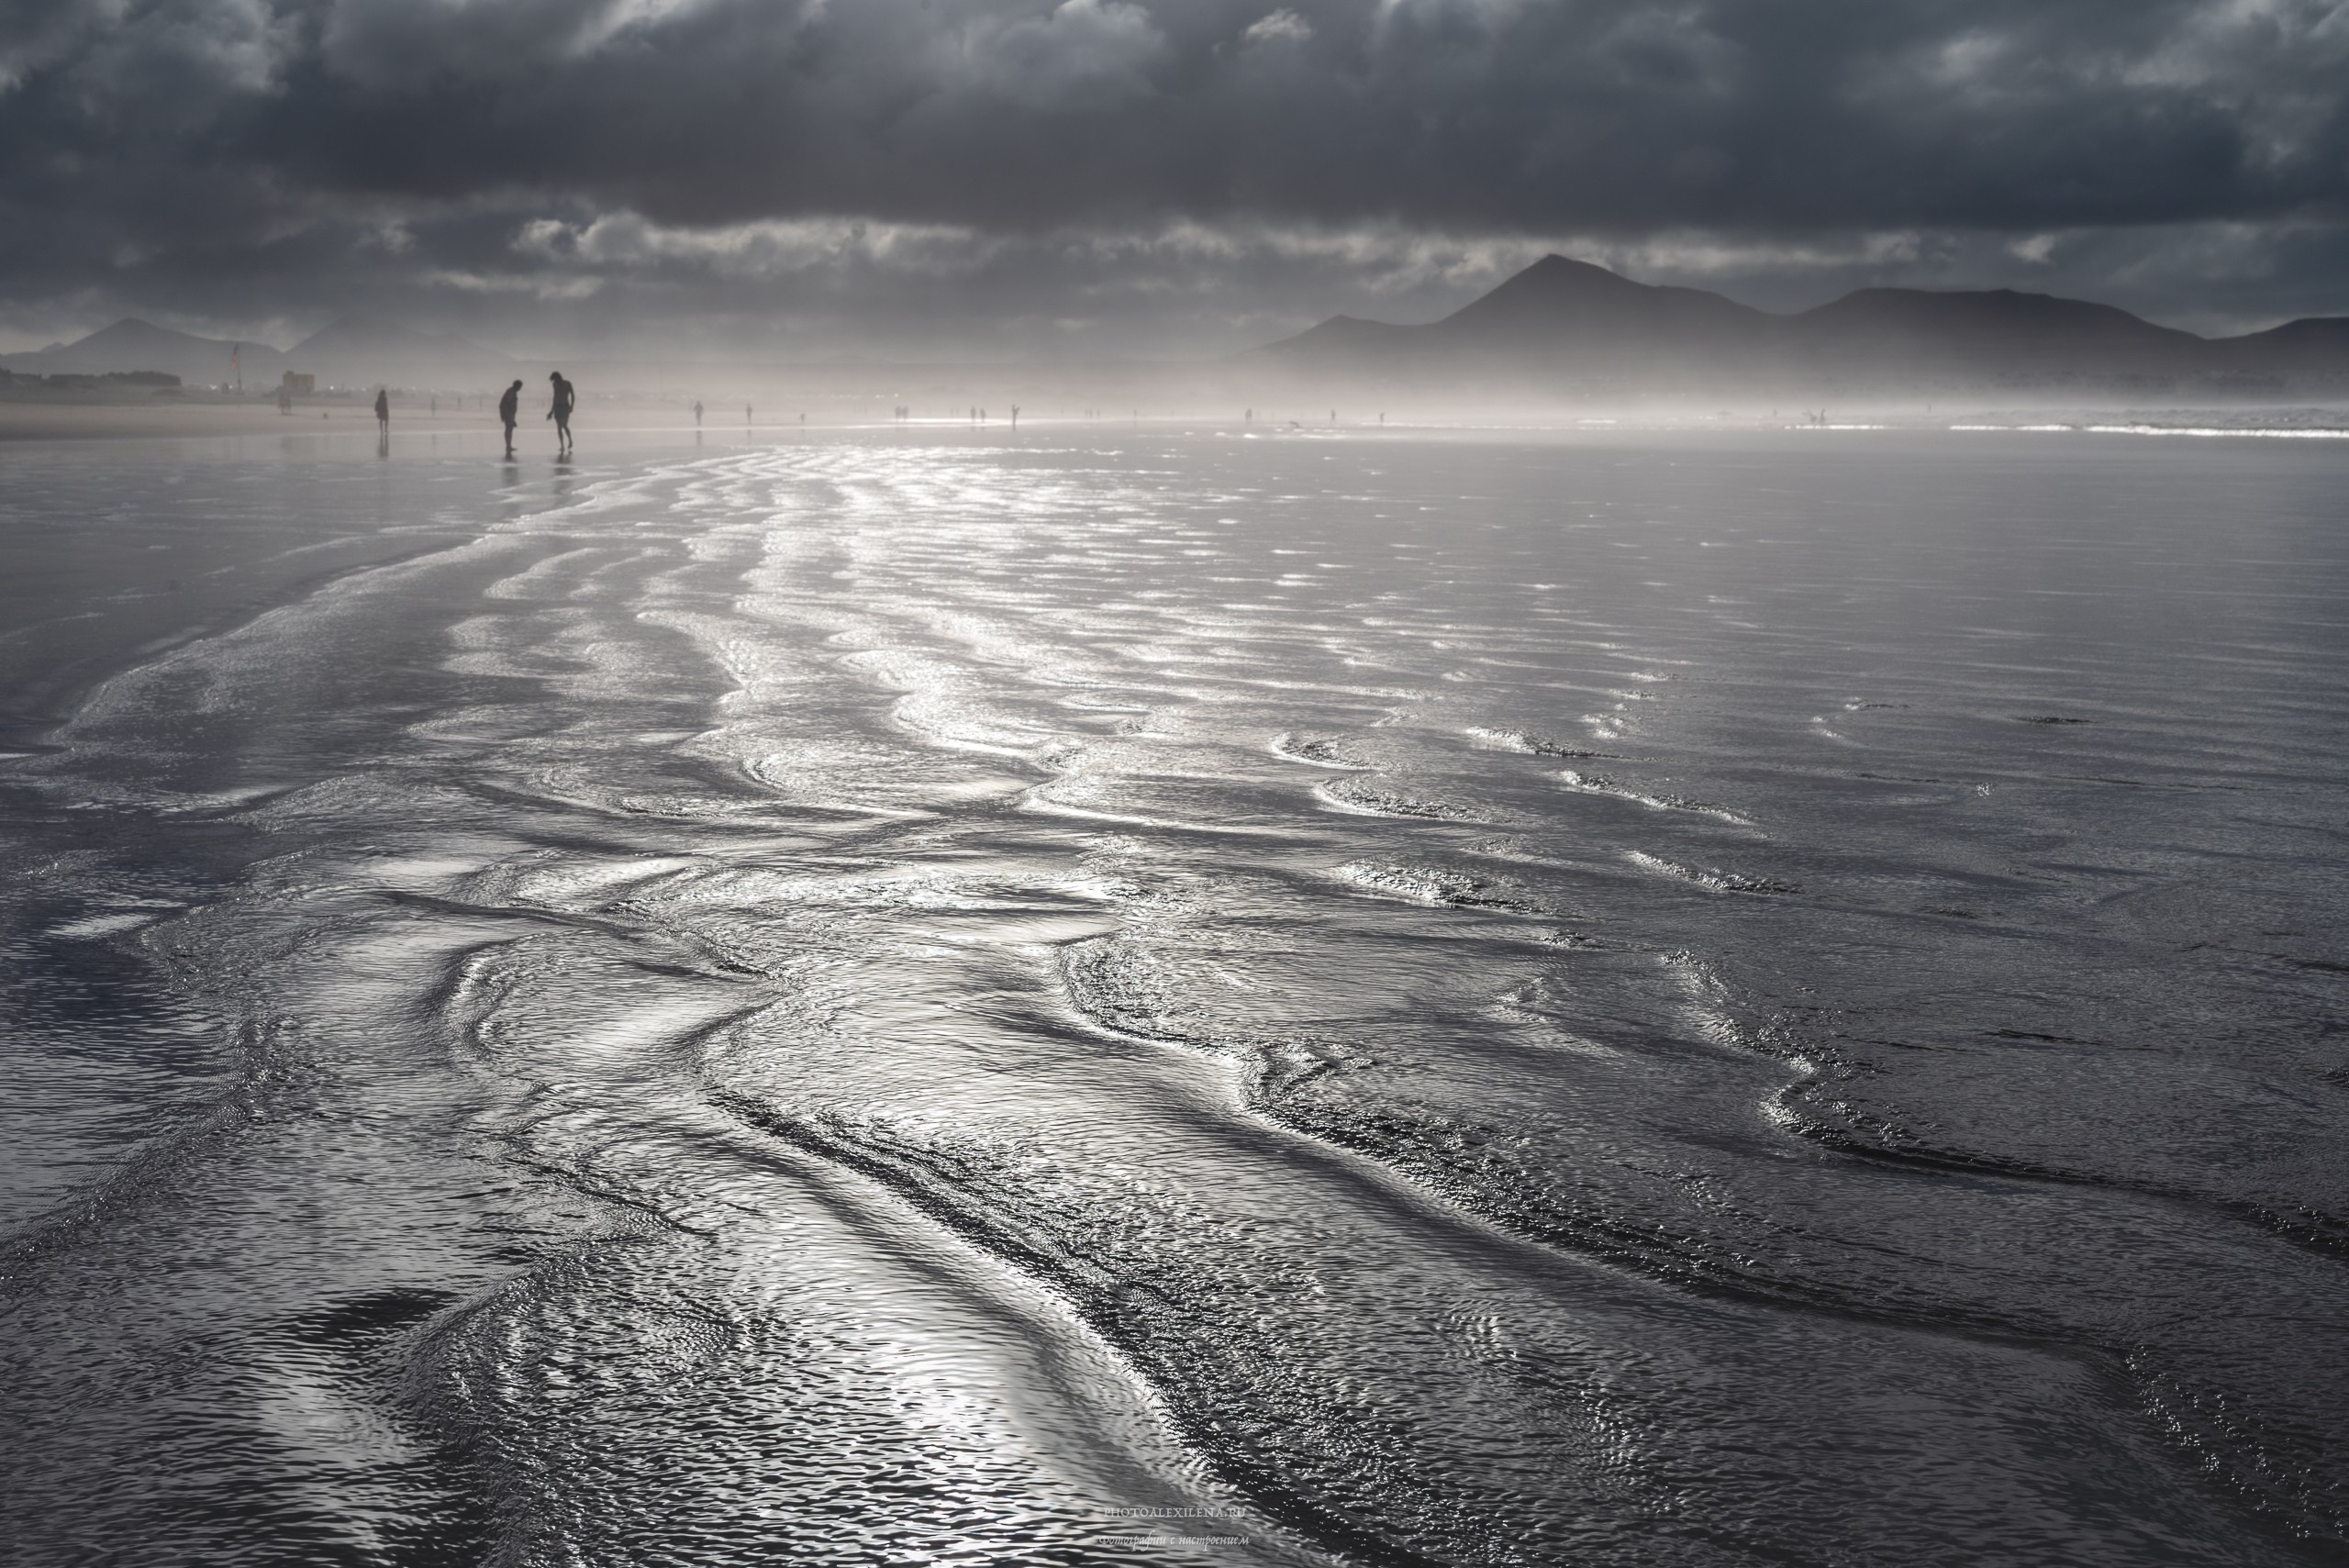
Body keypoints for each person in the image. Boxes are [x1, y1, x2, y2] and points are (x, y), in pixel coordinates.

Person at [547, 371, 575, 454]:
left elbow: (572, 395)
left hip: (565, 406)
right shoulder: (555, 384)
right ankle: (562, 445)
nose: (555, 381)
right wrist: (551, 411)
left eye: (555, 379)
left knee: (564, 425)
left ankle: (570, 440)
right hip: (557, 407)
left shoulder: (567, 383)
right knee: (559, 427)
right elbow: (555, 397)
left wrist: (572, 406)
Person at [497, 379, 523, 458]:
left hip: (509, 413)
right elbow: (509, 405)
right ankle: (508, 446)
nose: (520, 388)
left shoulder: (512, 391)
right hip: (508, 413)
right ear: (517, 386)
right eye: (520, 387)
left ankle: (509, 446)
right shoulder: (511, 392)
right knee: (508, 429)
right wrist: (510, 417)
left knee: (509, 429)